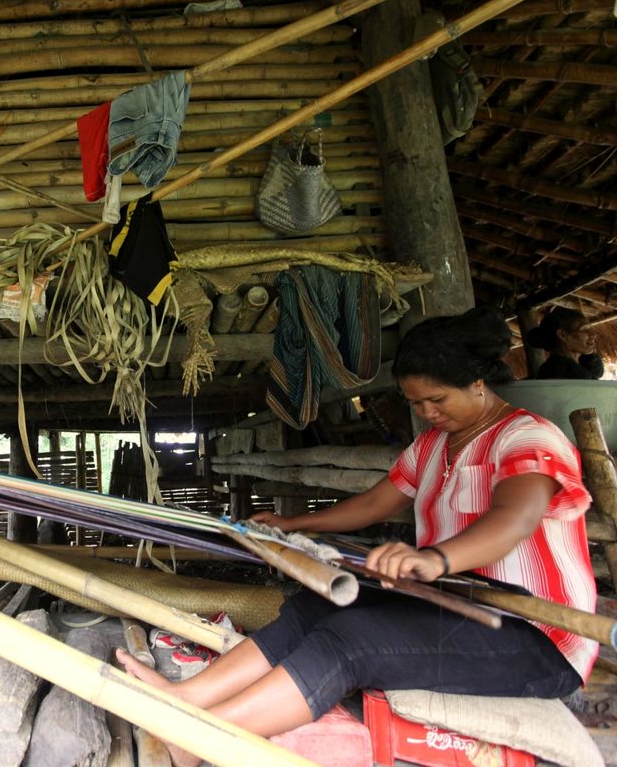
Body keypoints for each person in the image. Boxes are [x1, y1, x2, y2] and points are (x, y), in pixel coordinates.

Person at [115, 307, 596, 767]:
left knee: (353, 640)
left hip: (535, 637)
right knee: (316, 607)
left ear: (477, 382)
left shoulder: (528, 438)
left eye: (438, 400)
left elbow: (514, 519)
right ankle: (187, 696)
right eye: (416, 403)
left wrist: (436, 560)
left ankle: (201, 736)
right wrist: (293, 525)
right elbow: (372, 504)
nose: (427, 412)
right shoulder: (432, 445)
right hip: (459, 605)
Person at [528, 307, 604, 379]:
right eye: (584, 329)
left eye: (590, 328)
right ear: (563, 335)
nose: (593, 334)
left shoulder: (568, 366)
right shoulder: (559, 371)